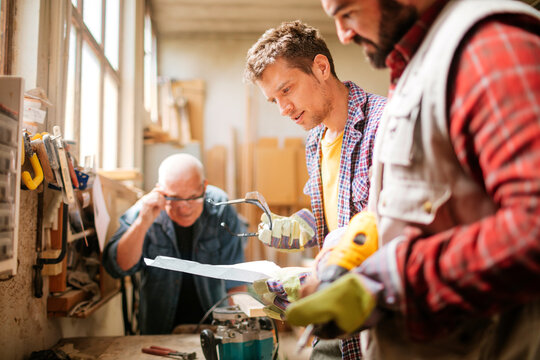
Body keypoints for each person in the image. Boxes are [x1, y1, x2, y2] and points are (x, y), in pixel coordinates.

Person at [286, 0, 540, 359]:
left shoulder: (486, 49)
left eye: (348, 13)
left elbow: (533, 226)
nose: (343, 35)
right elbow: (412, 202)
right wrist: (347, 258)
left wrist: (391, 279)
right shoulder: (420, 67)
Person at [244, 21, 386, 359]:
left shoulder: (385, 124)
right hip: (335, 321)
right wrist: (300, 228)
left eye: (287, 90)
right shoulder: (314, 142)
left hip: (376, 323)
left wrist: (320, 276)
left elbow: (391, 226)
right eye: (274, 100)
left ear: (321, 67)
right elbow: (339, 217)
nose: (284, 109)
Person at [103, 153, 247, 334]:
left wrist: (237, 329)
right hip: (160, 329)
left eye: (193, 197)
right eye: (175, 198)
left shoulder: (221, 207)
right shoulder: (144, 210)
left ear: (204, 187)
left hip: (215, 325)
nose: (184, 207)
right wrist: (143, 222)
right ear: (160, 190)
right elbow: (117, 268)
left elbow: (235, 278)